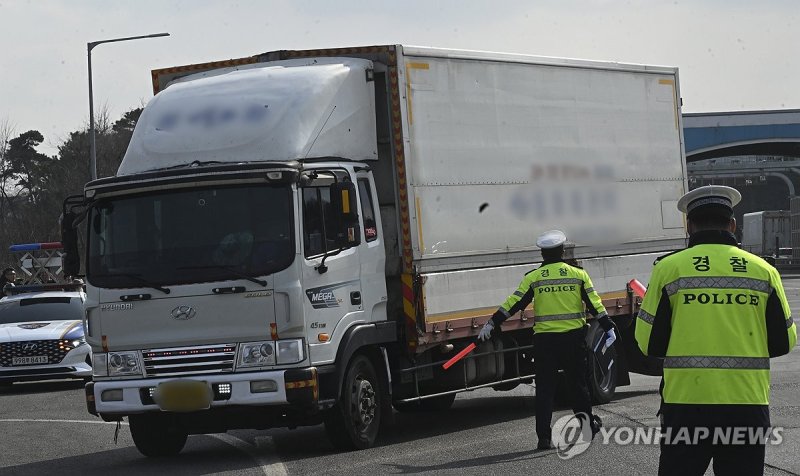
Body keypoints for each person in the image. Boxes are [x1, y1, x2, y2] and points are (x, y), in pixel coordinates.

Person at [634, 185, 797, 475]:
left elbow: (649, 344)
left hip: (686, 407)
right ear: (732, 224)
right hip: (747, 404)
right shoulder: (764, 271)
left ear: (689, 225)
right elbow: (784, 342)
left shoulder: (669, 269)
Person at [478, 230, 616, 450]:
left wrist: (492, 323)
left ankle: (544, 438)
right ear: (562, 251)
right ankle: (587, 428)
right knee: (578, 386)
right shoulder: (578, 274)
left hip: (545, 343)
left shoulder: (533, 277)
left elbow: (513, 303)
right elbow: (594, 303)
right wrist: (608, 326)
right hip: (573, 341)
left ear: (542, 254)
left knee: (545, 390)